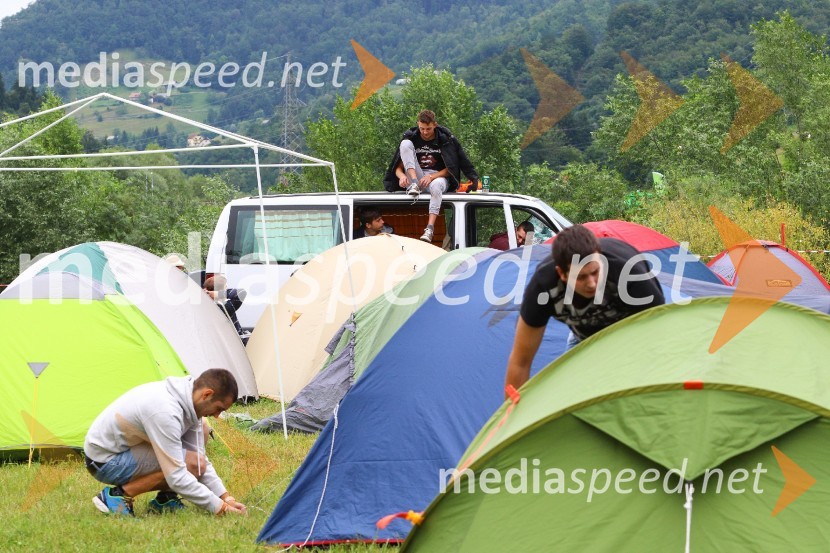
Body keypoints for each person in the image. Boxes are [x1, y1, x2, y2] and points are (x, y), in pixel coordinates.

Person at [504, 224, 665, 395]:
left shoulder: (630, 272)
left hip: (632, 336)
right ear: (562, 274)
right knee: (572, 396)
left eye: (595, 272)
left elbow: (661, 340)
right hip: (583, 337)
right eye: (580, 277)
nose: (592, 283)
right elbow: (520, 362)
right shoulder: (543, 287)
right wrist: (511, 411)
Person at [83, 368, 247, 516]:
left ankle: (165, 499)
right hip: (104, 461)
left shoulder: (191, 401)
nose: (217, 415)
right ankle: (116, 497)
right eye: (219, 408)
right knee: (188, 465)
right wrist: (220, 508)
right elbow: (177, 476)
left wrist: (226, 498)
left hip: (124, 449)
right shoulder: (165, 411)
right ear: (206, 394)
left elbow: (199, 461)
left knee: (202, 434)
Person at [383, 109, 479, 243]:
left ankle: (429, 228)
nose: (425, 132)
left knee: (436, 186)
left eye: (428, 129)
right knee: (404, 143)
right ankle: (414, 183)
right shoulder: (412, 138)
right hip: (416, 178)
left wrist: (432, 177)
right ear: (418, 124)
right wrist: (402, 177)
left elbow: (452, 168)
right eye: (422, 128)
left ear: (435, 125)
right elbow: (398, 168)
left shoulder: (445, 140)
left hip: (438, 178)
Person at [204, 274, 249, 345]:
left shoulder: (207, 306)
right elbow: (241, 292)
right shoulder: (225, 306)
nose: (227, 288)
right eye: (225, 286)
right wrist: (219, 294)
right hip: (234, 342)